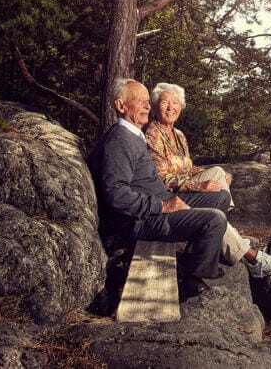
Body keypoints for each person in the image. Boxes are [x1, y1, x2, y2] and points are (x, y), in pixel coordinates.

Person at [88, 78, 228, 301]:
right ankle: (191, 279)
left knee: (220, 197)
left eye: (147, 101)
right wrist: (162, 205)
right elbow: (115, 193)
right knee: (215, 219)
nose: (146, 106)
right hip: (143, 219)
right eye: (139, 101)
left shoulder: (134, 134)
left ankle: (196, 258)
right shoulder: (119, 140)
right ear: (120, 106)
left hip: (161, 202)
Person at [144, 82, 271, 278]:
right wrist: (198, 185)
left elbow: (189, 168)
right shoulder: (152, 133)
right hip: (169, 196)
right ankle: (253, 258)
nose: (171, 108)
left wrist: (213, 176)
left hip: (183, 188)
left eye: (175, 103)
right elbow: (161, 177)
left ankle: (218, 227)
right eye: (165, 102)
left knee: (219, 171)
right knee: (216, 191)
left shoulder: (178, 135)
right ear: (154, 106)